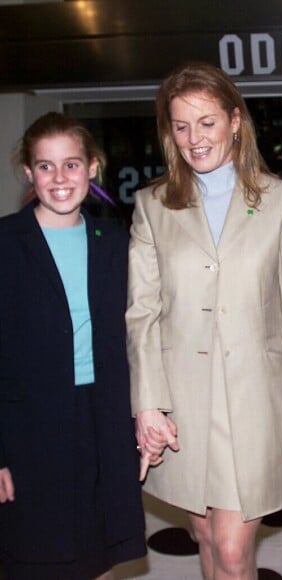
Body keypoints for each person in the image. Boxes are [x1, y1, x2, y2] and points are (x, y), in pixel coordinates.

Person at [126, 61, 282, 579]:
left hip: (255, 397)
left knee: (234, 551)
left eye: (206, 122)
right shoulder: (151, 206)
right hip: (183, 401)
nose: (194, 139)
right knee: (207, 538)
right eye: (181, 126)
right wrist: (147, 404)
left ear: (235, 121)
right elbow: (142, 314)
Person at [0, 112, 146, 579]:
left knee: (95, 552)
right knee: (33, 554)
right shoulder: (5, 242)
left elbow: (136, 333)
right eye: (45, 166)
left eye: (71, 164)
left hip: (101, 419)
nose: (59, 179)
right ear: (28, 172)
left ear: (93, 168)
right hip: (29, 429)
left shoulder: (113, 241)